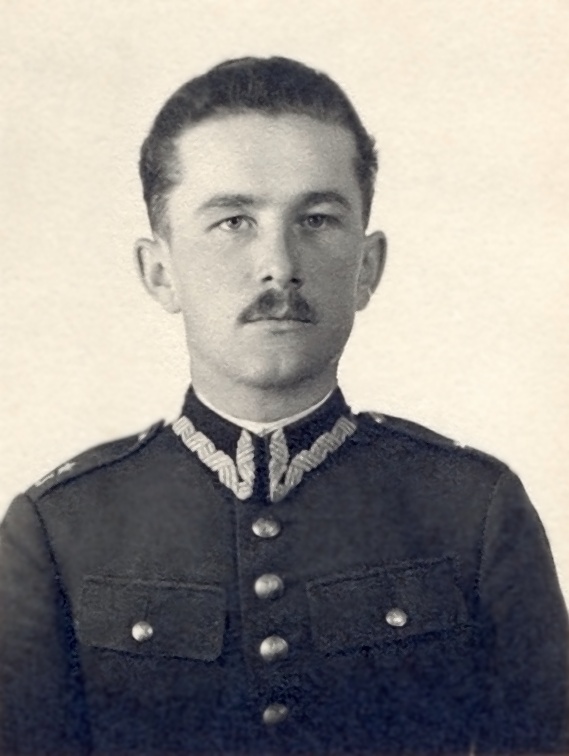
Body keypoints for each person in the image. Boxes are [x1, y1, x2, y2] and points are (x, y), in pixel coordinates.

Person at [0, 56, 567, 756]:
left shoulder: (472, 511)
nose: (279, 264)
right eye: (233, 221)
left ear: (367, 266)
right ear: (159, 271)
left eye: (317, 219)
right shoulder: (60, 530)